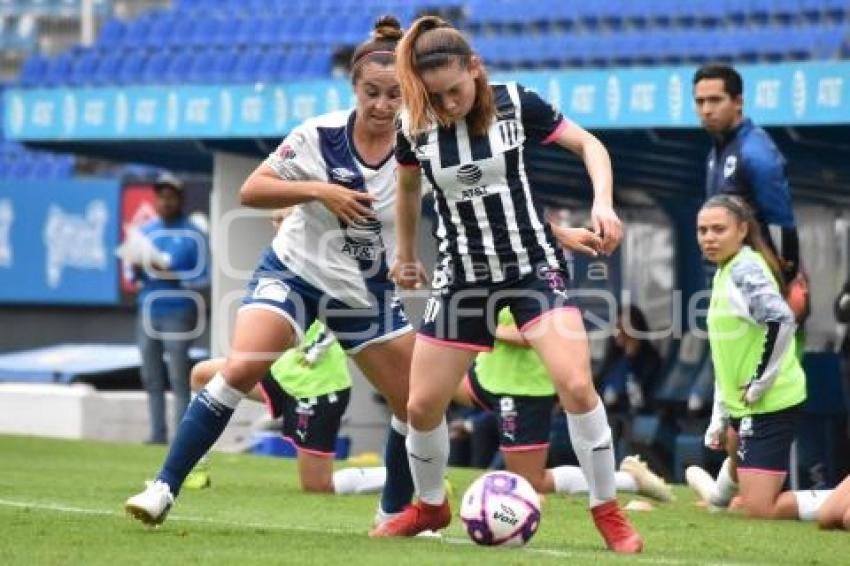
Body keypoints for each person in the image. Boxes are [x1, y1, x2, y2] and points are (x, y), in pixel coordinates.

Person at [125, 17, 417, 527]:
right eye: (371, 92)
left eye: (394, 95)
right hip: (295, 271)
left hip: (364, 293)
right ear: (354, 87)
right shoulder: (318, 136)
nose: (382, 105)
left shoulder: (420, 145)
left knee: (416, 404)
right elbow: (252, 190)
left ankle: (392, 513)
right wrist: (319, 190)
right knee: (240, 368)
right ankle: (162, 488)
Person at [371, 15, 643, 553]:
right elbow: (405, 190)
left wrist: (602, 203)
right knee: (421, 406)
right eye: (437, 95)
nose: (449, 104)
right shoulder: (414, 124)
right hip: (461, 278)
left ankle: (608, 509)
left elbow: (590, 145)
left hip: (531, 268)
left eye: (455, 90)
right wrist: (403, 254)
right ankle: (429, 504)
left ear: (476, 68)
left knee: (577, 385)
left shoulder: (518, 103)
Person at [685, 195, 830, 522]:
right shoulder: (726, 270)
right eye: (702, 230)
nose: (709, 237)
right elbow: (729, 355)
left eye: (719, 229)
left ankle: (837, 498)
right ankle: (718, 501)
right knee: (735, 458)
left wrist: (758, 385)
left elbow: (782, 320)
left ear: (742, 230)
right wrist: (720, 415)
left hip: (771, 401)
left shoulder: (745, 269)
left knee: (759, 509)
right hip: (746, 404)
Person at [455, 307, 672, 503]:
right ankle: (430, 494)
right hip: (488, 373)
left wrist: (485, 328)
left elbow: (530, 334)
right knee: (430, 392)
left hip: (520, 386)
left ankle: (630, 481)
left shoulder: (538, 281)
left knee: (531, 481)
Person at [189, 319, 386, 495]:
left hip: (317, 387)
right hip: (280, 370)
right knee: (202, 375)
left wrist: (319, 343)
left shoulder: (330, 283)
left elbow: (351, 303)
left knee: (317, 486)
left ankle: (401, 475)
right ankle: (194, 470)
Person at [693, 64, 800, 291]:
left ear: (738, 102)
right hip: (728, 277)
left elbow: (781, 224)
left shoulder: (756, 152)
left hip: (757, 283)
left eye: (715, 100)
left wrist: (787, 280)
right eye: (700, 101)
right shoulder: (716, 152)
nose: (706, 110)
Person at [125, 172, 209, 445]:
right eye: (161, 197)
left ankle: (181, 437)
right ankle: (157, 434)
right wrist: (138, 268)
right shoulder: (146, 232)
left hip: (179, 309)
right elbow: (132, 274)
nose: (165, 202)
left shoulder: (193, 233)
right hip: (148, 307)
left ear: (180, 199)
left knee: (178, 375)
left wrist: (173, 274)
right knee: (150, 374)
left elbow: (205, 276)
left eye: (171, 197)